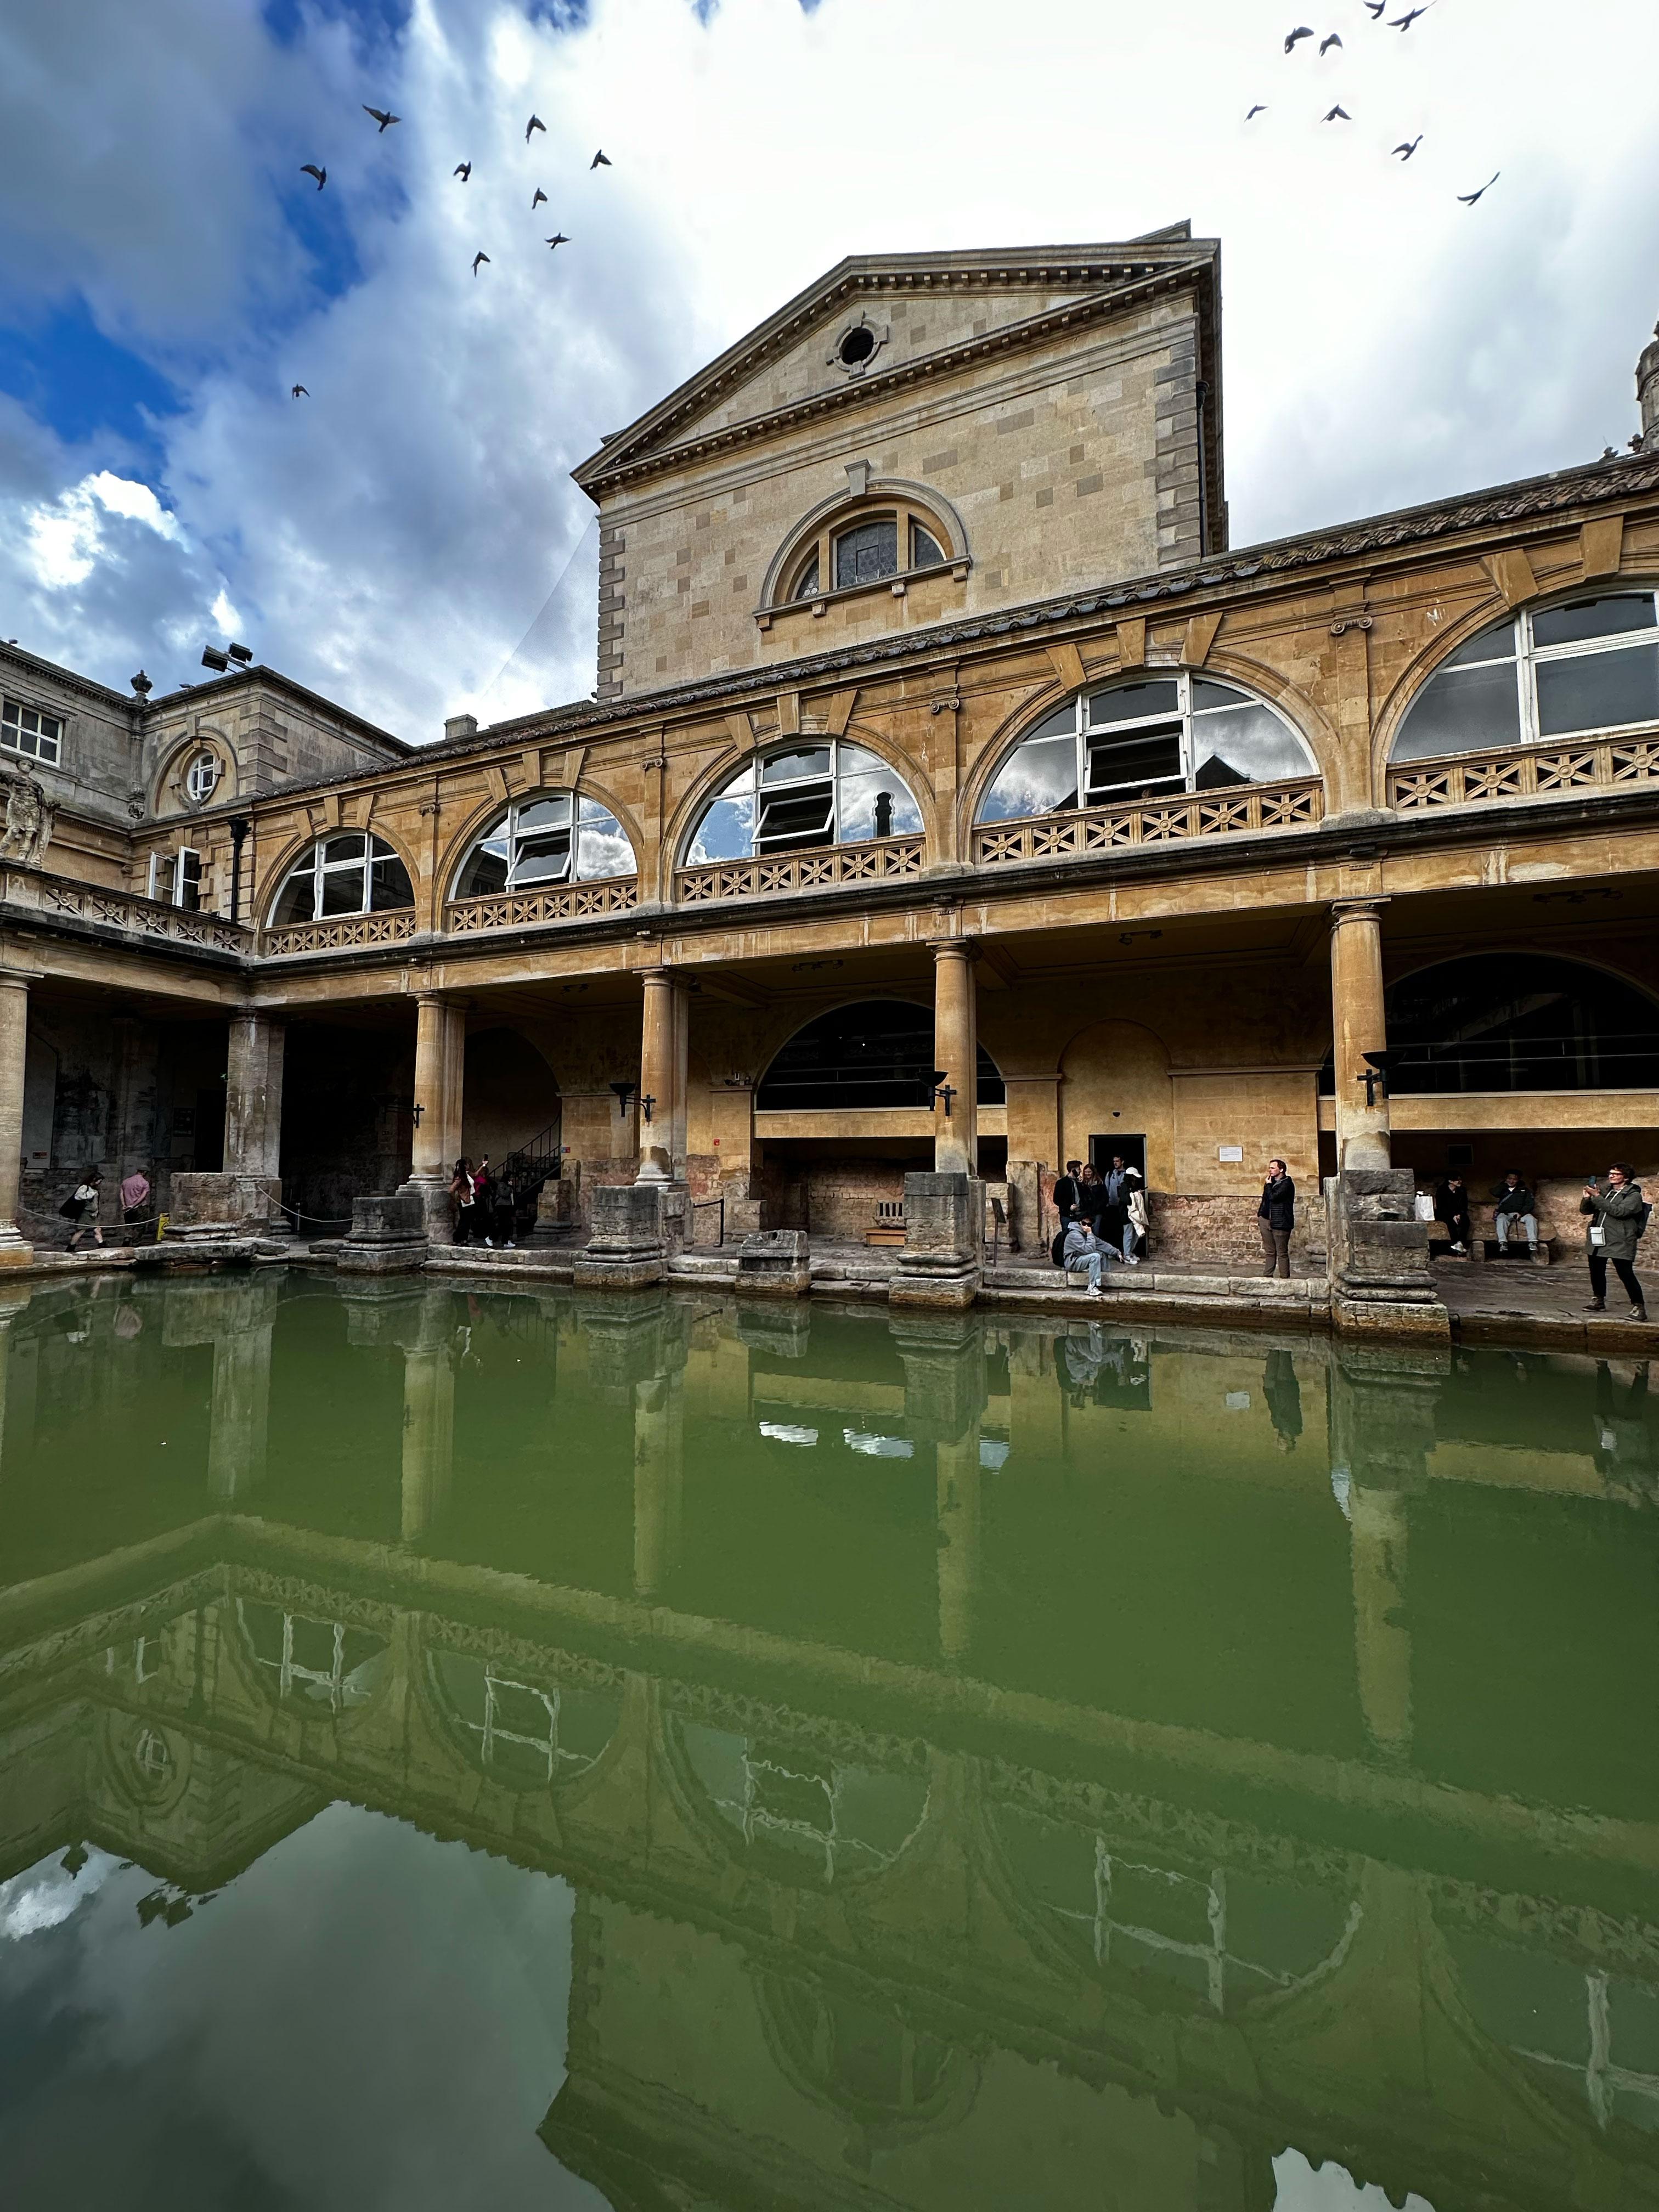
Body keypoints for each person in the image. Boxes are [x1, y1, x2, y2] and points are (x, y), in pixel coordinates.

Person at [1581, 1161, 1647, 1321]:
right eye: (1610, 1173)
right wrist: (1587, 1199)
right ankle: (1599, 1300)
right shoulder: (1606, 1192)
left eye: (1616, 1174)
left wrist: (1597, 1197)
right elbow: (1585, 1211)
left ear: (1626, 1177)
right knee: (1596, 1270)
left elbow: (1619, 1212)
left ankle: (1639, 1307)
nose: (1611, 1176)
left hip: (1620, 1239)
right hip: (1599, 1237)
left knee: (1625, 1273)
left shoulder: (1634, 1196)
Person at [1257, 1158, 1295, 1279]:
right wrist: (1261, 1214)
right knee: (1270, 1251)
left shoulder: (1287, 1184)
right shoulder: (1270, 1182)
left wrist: (1268, 1185)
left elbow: (1274, 1197)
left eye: (1273, 1168)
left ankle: (1285, 1278)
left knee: (1282, 1252)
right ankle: (1267, 1276)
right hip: (1266, 1219)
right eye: (1270, 1168)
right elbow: (1266, 1199)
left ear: (1282, 1170)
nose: (1270, 1170)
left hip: (1280, 1222)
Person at [1062, 1214, 1115, 1295]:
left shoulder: (1086, 1233)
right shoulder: (1074, 1235)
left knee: (1102, 1253)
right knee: (1095, 1256)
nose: (1086, 1226)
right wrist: (1090, 1234)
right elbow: (1089, 1250)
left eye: (1089, 1225)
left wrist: (1117, 1253)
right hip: (1072, 1262)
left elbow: (1101, 1244)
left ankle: (1105, 1278)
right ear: (1080, 1223)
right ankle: (1092, 1287)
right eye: (1084, 1224)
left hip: (1081, 1259)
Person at [1263, 1346, 1304, 1453]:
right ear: (1291, 1443)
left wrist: (1267, 1391)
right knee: (1284, 1357)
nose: (1280, 1442)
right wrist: (1287, 1434)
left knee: (1273, 1355)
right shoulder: (1296, 1428)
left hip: (1272, 1390)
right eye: (1283, 1444)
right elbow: (1286, 1415)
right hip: (1286, 1390)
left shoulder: (1277, 1425)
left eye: (1280, 1444)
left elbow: (1273, 1408)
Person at [1491, 1172, 1539, 1256]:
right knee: (1501, 1219)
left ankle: (1533, 1242)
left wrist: (1521, 1213)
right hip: (1506, 1213)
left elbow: (1530, 1204)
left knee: (1531, 1219)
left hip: (1521, 1213)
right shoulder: (1503, 1189)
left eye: (1514, 1179)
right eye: (1509, 1179)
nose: (1512, 1181)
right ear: (1506, 1179)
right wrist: (1504, 1185)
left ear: (1518, 1180)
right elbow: (1494, 1193)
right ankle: (1503, 1243)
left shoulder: (1525, 1190)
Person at [63, 1167, 104, 1251]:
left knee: (97, 1230)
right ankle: (70, 1248)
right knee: (81, 1231)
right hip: (85, 1214)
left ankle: (102, 1247)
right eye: (99, 1180)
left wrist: (96, 1212)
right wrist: (91, 1194)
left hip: (92, 1214)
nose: (100, 1182)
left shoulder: (95, 1189)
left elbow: (95, 1203)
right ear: (94, 1179)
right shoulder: (84, 1187)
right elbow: (78, 1196)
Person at [1434, 1172, 1472, 1255]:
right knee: (1451, 1223)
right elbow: (1441, 1207)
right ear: (1451, 1181)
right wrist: (1452, 1216)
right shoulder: (1442, 1190)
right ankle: (1455, 1243)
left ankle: (1461, 1243)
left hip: (1459, 1213)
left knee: (1466, 1221)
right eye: (1457, 1180)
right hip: (1445, 1213)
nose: (1460, 1182)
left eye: (1460, 1180)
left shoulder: (1462, 1190)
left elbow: (1464, 1205)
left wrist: (1459, 1215)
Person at [449, 1156, 478, 1245]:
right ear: (465, 1166)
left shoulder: (467, 1174)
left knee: (467, 1220)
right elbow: (451, 1190)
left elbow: (476, 1174)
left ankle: (463, 1239)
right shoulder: (460, 1178)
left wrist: (484, 1166)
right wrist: (457, 1198)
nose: (469, 1165)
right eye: (467, 1164)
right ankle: (458, 1239)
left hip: (470, 1199)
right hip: (464, 1200)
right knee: (464, 1221)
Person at [119, 1166, 151, 1243]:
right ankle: (136, 1242)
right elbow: (143, 1196)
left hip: (127, 1208)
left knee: (129, 1225)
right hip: (140, 1208)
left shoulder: (126, 1181)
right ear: (145, 1172)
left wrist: (124, 1205)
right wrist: (134, 1205)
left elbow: (121, 1193)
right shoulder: (144, 1183)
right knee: (140, 1225)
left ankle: (127, 1238)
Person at [1053, 1159, 1084, 1231]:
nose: (1080, 1171)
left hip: (1080, 1214)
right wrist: (1068, 1207)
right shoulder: (1061, 1183)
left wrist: (1082, 1184)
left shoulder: (1079, 1182)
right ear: (1073, 1170)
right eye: (1079, 1169)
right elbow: (1056, 1200)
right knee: (1068, 1235)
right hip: (1067, 1215)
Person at [492, 1171, 517, 1249]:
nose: (512, 1179)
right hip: (502, 1206)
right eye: (511, 1178)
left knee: (507, 1224)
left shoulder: (510, 1186)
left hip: (508, 1206)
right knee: (503, 1223)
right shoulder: (501, 1185)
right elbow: (504, 1194)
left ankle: (506, 1241)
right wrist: (509, 1187)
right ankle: (491, 1237)